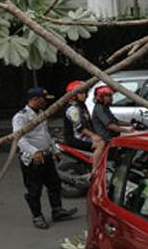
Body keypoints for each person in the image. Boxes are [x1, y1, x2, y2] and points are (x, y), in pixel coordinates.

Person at [13, 87, 78, 230]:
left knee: (54, 184)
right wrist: (34, 152)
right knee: (34, 189)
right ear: (35, 99)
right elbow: (19, 139)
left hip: (46, 155)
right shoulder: (21, 117)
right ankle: (37, 216)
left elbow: (45, 135)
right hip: (32, 159)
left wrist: (55, 150)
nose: (46, 102)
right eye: (44, 99)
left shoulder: (42, 113)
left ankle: (57, 210)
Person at [62, 81, 104, 162]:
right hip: (76, 138)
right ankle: (96, 170)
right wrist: (93, 136)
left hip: (84, 136)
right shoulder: (72, 109)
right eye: (81, 93)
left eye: (85, 92)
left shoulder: (81, 105)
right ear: (74, 95)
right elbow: (80, 127)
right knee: (100, 144)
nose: (85, 95)